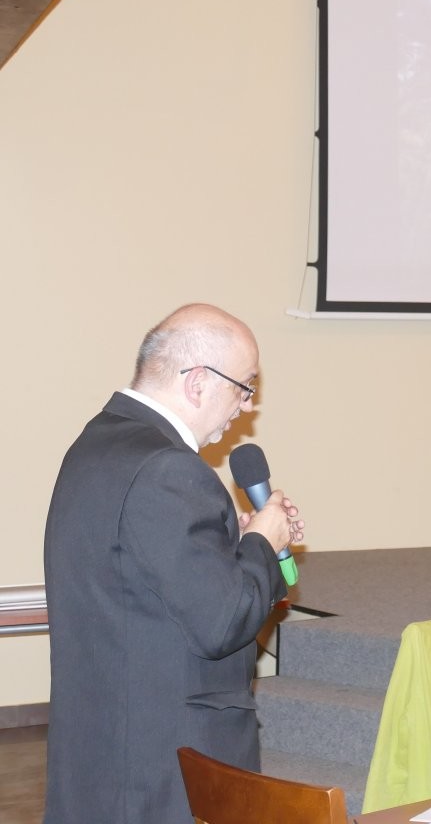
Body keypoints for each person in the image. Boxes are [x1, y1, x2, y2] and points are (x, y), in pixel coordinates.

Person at [43, 303, 304, 824]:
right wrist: (262, 542)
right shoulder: (170, 469)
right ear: (198, 382)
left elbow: (141, 582)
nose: (247, 406)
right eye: (244, 387)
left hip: (105, 749)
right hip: (165, 766)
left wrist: (233, 543)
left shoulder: (97, 443)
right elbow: (222, 624)